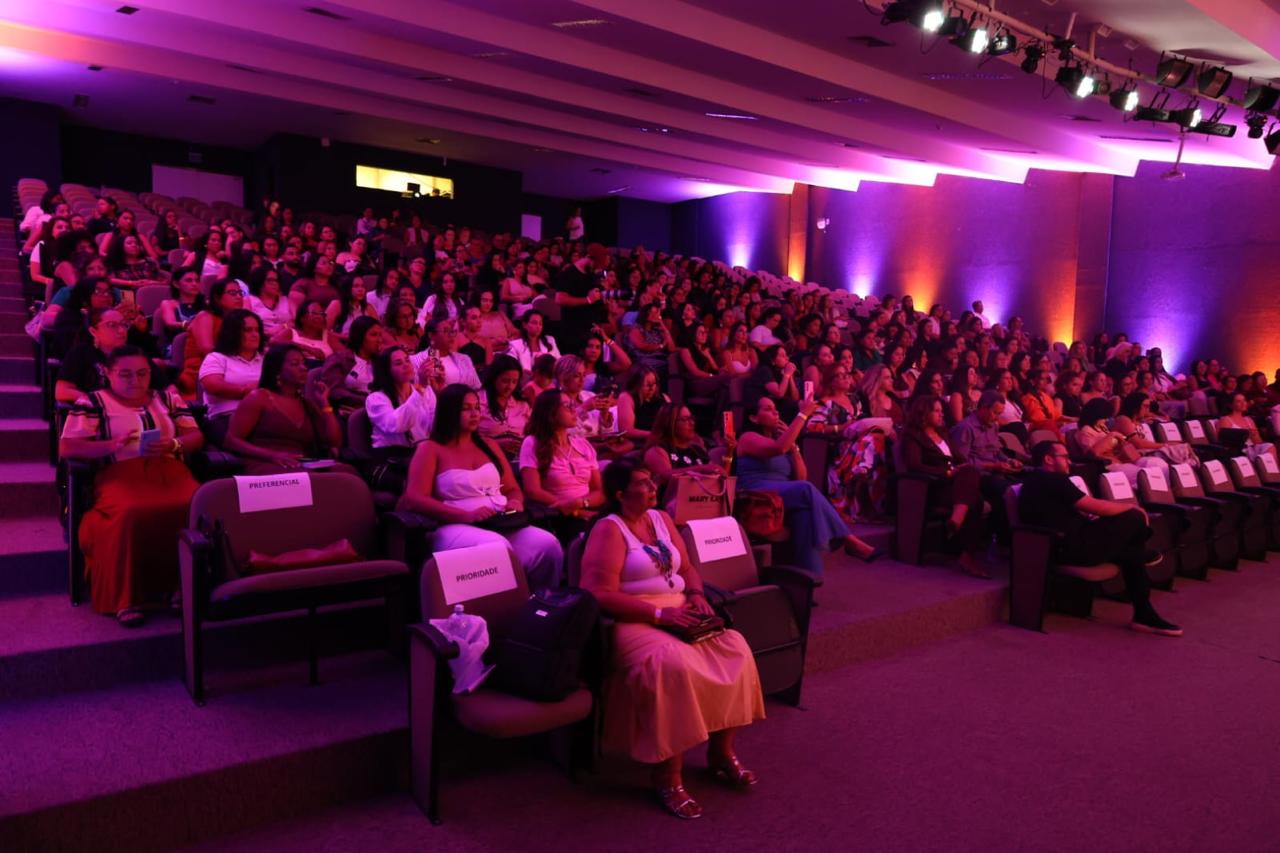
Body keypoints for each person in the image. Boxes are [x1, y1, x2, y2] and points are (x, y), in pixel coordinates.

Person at [579, 459, 764, 820]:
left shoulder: (661, 519)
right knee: (673, 665)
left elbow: (688, 568)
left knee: (735, 649)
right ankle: (668, 774)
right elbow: (597, 593)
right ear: (620, 494)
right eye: (643, 483)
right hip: (633, 617)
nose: (653, 487)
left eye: (651, 481)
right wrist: (658, 615)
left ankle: (721, 753)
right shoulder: (609, 529)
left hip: (680, 608)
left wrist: (695, 595)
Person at [59, 345, 203, 625]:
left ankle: (180, 587)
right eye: (125, 374)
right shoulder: (93, 402)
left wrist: (173, 444)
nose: (135, 381)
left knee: (194, 505)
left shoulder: (168, 399)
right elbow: (67, 448)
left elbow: (195, 436)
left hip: (169, 471)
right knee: (130, 511)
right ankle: (126, 597)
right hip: (119, 474)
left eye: (142, 373)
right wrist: (108, 445)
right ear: (108, 373)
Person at [397, 384, 563, 590]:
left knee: (548, 544)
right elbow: (415, 497)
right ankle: (499, 611)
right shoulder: (430, 448)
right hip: (452, 525)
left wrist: (515, 502)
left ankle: (542, 607)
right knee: (496, 547)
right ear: (449, 411)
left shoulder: (489, 445)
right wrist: (464, 515)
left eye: (477, 407)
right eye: (466, 408)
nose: (475, 413)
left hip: (499, 521)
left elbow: (512, 488)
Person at [1019, 441, 1182, 636]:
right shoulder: (1054, 480)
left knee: (1132, 554)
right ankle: (1143, 602)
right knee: (1134, 518)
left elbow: (1064, 514)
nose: (1069, 461)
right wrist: (1133, 508)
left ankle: (1143, 610)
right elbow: (1095, 506)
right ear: (1048, 459)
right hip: (1071, 548)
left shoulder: (1034, 480)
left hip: (1059, 544)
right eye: (1064, 457)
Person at [737, 396, 880, 571]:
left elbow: (801, 477)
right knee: (806, 490)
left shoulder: (785, 442)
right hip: (757, 492)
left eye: (775, 408)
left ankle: (807, 586)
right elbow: (778, 449)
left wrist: (795, 448)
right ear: (753, 418)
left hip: (783, 494)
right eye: (767, 409)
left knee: (805, 517)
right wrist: (803, 414)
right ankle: (848, 539)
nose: (775, 412)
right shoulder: (747, 438)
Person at [223, 344, 350, 475]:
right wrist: (273, 455)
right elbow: (231, 440)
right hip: (266, 463)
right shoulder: (259, 398)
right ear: (277, 370)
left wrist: (325, 404)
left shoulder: (306, 404)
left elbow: (335, 442)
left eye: (303, 363)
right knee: (307, 479)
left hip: (300, 464)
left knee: (347, 473)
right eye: (295, 364)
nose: (303, 368)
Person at [899, 395, 989, 578]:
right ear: (924, 413)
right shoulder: (912, 436)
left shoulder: (943, 433)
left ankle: (958, 526)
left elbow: (960, 459)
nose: (941, 415)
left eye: (942, 411)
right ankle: (965, 553)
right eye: (937, 411)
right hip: (932, 486)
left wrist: (960, 467)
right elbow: (914, 465)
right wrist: (945, 472)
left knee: (970, 473)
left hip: (954, 485)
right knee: (976, 501)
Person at [519, 389, 605, 538]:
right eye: (567, 405)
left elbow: (599, 491)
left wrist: (580, 504)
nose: (574, 410)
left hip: (588, 507)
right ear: (550, 412)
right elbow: (533, 490)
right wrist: (572, 509)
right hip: (558, 514)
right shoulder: (532, 443)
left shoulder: (583, 444)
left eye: (573, 404)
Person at [364, 346, 440, 492]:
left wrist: (440, 391)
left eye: (407, 360)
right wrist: (421, 388)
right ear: (387, 371)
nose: (406, 365)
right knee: (422, 487)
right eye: (398, 363)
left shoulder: (426, 391)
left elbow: (435, 427)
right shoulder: (376, 399)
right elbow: (396, 425)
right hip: (390, 462)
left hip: (419, 457)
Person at [949, 390, 1021, 543]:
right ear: (983, 408)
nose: (997, 418)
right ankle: (1008, 538)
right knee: (1009, 491)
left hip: (997, 471)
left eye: (1000, 413)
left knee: (1025, 483)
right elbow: (963, 463)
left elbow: (996, 451)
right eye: (995, 413)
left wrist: (1008, 460)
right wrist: (993, 466)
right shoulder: (965, 428)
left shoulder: (993, 425)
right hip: (979, 476)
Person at [197, 309, 264, 444]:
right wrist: (250, 391)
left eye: (257, 330)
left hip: (264, 418)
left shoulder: (266, 360)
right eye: (248, 330)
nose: (255, 335)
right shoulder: (216, 358)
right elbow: (213, 386)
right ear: (233, 333)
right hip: (226, 419)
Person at [642, 403, 730, 490]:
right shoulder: (657, 450)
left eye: (691, 418)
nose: (691, 423)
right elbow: (665, 477)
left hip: (701, 501)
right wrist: (700, 469)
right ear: (670, 423)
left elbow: (721, 478)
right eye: (684, 419)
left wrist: (730, 450)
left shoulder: (697, 450)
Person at [554, 242, 607, 355]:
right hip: (573, 331)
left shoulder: (591, 275)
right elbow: (560, 299)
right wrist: (587, 300)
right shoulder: (569, 273)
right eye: (595, 265)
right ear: (588, 257)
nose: (595, 269)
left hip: (591, 330)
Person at [477, 355, 531, 457]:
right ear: (494, 378)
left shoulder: (522, 405)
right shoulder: (478, 401)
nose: (510, 387)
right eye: (505, 381)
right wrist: (496, 443)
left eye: (514, 382)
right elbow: (467, 438)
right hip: (486, 457)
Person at [410, 317, 481, 390]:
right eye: (446, 331)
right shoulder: (416, 360)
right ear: (431, 335)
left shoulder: (464, 359)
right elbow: (416, 389)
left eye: (452, 331)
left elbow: (477, 387)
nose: (451, 335)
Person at [618, 366, 668, 443]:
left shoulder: (664, 397)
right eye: (648, 384)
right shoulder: (626, 397)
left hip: (663, 440)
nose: (652, 388)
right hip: (639, 443)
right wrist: (654, 435)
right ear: (636, 384)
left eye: (654, 383)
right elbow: (626, 431)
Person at [507, 310, 561, 374]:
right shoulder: (515, 345)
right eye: (534, 323)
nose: (538, 326)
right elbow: (511, 366)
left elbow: (559, 362)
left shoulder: (550, 340)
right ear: (525, 325)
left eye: (540, 323)